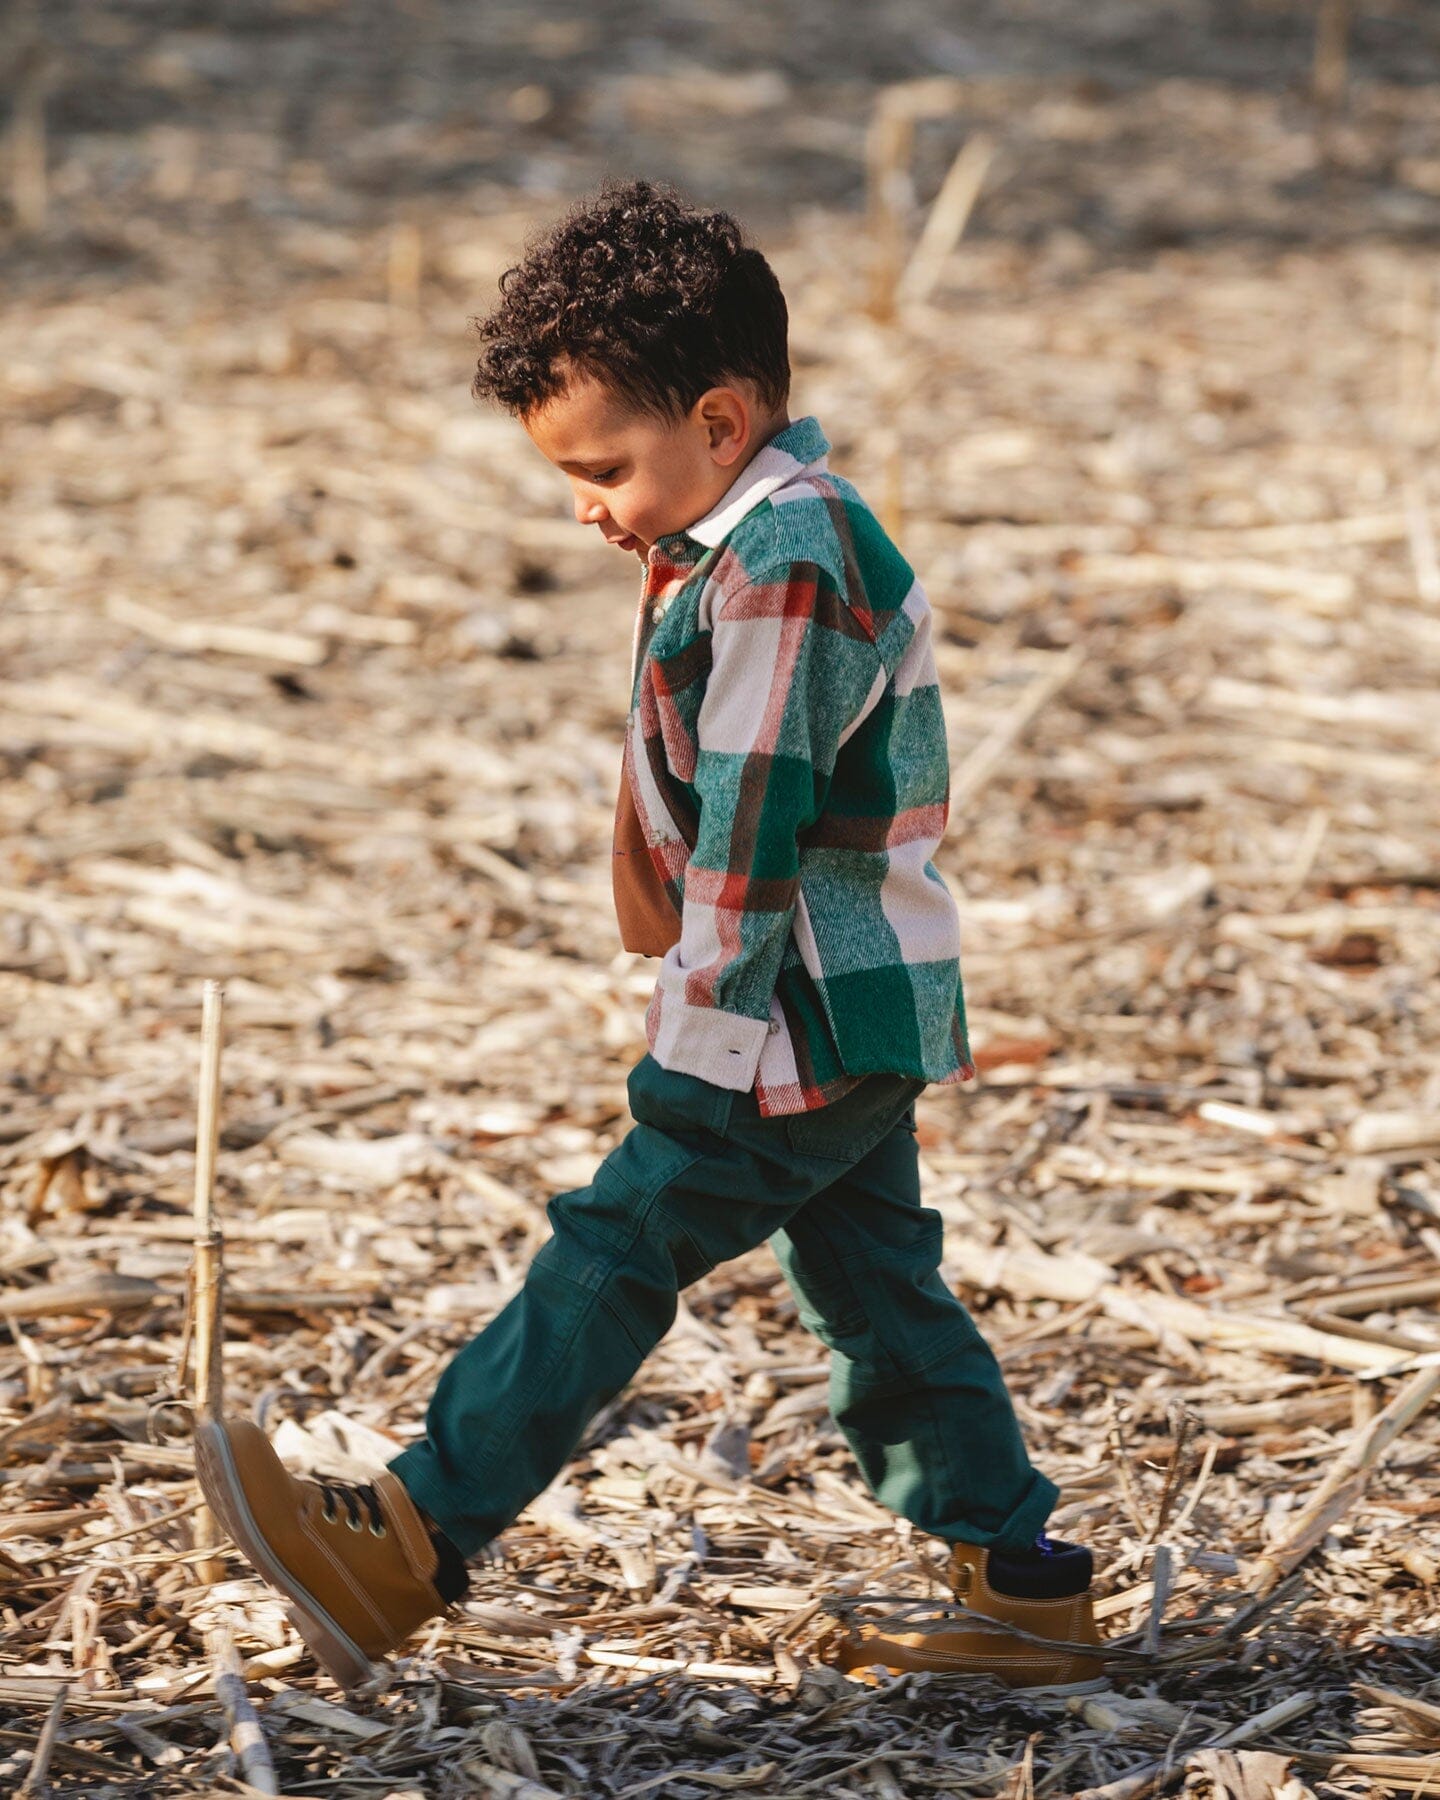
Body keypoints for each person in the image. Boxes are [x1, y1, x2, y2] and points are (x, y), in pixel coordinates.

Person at [195, 178, 1102, 1692]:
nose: (585, 504)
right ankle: (1017, 1582)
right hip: (846, 1006)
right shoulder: (745, 534)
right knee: (878, 1289)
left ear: (723, 419)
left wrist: (698, 1047)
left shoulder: (784, 563)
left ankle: (411, 1534)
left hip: (794, 1006)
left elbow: (753, 827)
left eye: (604, 465)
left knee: (615, 1245)